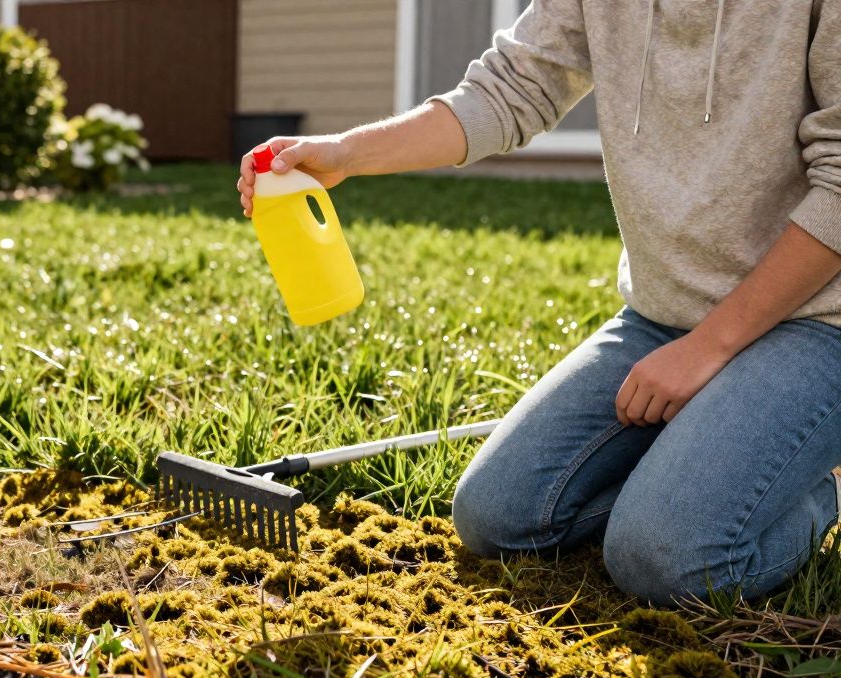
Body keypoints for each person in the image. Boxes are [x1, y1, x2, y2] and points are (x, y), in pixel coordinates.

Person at [237, 0, 841, 605]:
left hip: (815, 321)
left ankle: (815, 493)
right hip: (664, 315)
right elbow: (508, 89)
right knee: (497, 517)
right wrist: (343, 152)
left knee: (667, 562)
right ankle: (700, 464)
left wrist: (709, 348)